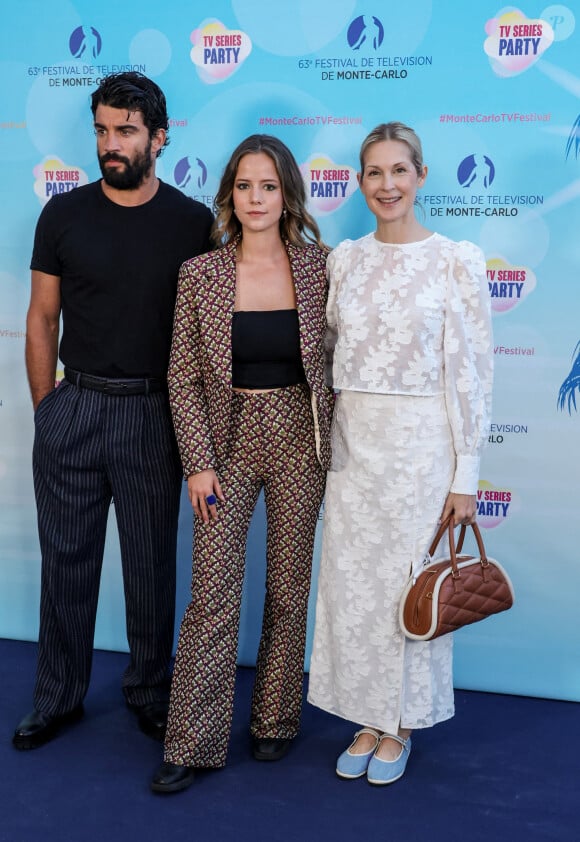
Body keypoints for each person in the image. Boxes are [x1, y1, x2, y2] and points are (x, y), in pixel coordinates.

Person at [12, 72, 213, 751]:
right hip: (76, 406)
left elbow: (205, 337)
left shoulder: (193, 224)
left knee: (152, 566)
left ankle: (151, 693)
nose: (110, 144)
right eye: (101, 130)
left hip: (154, 415)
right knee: (65, 563)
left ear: (159, 137)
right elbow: (41, 320)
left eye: (125, 131)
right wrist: (49, 413)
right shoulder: (62, 215)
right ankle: (58, 697)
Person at [307, 122, 493, 785]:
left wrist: (465, 472)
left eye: (399, 171)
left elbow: (471, 373)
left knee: (410, 588)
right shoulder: (345, 260)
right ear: (360, 183)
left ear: (420, 176)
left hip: (422, 451)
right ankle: (364, 716)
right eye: (374, 173)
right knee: (356, 587)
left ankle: (403, 724)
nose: (387, 185)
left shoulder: (456, 259)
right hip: (355, 452)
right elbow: (326, 355)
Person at [150, 134, 334, 793]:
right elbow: (183, 379)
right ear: (230, 192)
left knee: (288, 590)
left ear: (287, 195)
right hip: (224, 444)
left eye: (269, 186)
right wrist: (198, 464)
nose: (256, 198)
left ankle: (275, 721)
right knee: (212, 594)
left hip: (298, 438)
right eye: (245, 185)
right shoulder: (200, 274)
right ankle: (192, 742)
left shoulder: (320, 268)